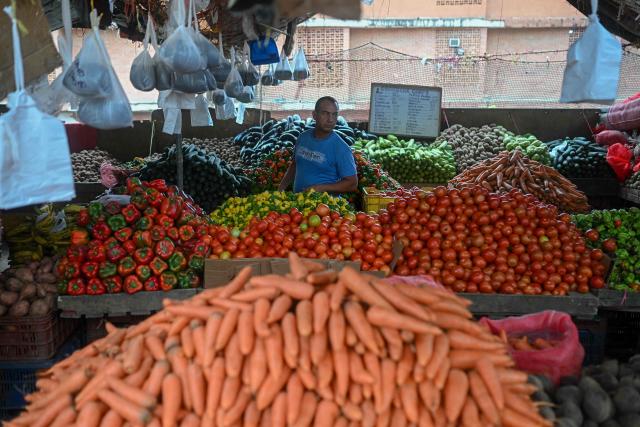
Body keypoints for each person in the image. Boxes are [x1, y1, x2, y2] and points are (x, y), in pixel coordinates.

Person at [278, 96, 358, 193]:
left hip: (324, 206)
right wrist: (281, 188)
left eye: (334, 114)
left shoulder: (341, 148)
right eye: (325, 113)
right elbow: (295, 164)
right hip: (298, 203)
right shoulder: (303, 138)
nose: (330, 119)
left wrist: (322, 188)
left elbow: (352, 183)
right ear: (314, 115)